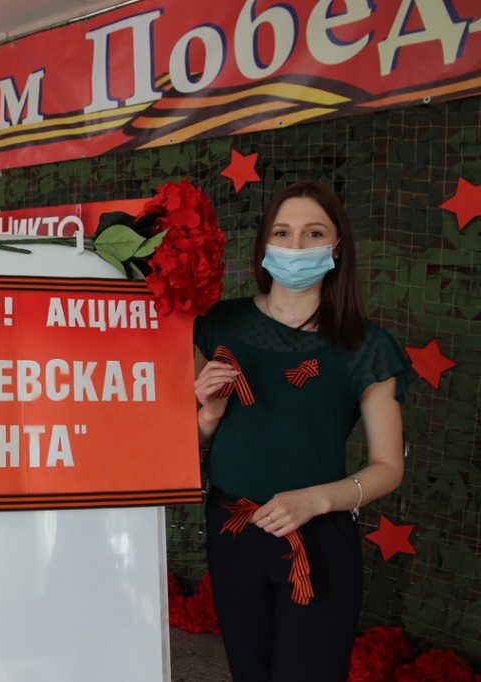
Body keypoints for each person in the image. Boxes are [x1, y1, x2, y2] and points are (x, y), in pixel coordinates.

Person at [193, 180, 413, 682]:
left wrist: (315, 500)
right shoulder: (218, 324)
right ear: (264, 243)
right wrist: (208, 414)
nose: (295, 246)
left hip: (318, 537)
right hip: (232, 529)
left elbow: (387, 467)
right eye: (282, 232)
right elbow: (181, 447)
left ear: (337, 247)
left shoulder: (366, 346)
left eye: (313, 233)